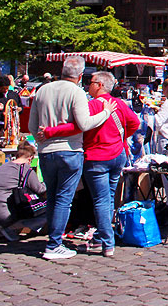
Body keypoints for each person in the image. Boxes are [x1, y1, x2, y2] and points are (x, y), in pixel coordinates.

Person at [41, 71, 139, 258]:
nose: (88, 85)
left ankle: (107, 242)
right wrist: (121, 138)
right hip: (117, 154)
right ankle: (103, 237)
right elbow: (134, 122)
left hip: (97, 157)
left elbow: (78, 126)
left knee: (101, 200)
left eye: (91, 82)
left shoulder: (91, 106)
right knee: (109, 198)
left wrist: (50, 132)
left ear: (100, 85)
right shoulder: (119, 104)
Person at [29, 56, 112, 261]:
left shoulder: (42, 90)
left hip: (46, 151)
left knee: (52, 197)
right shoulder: (76, 92)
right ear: (80, 76)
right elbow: (84, 123)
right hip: (70, 150)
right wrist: (105, 113)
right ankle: (54, 244)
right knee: (64, 199)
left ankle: (53, 239)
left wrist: (43, 136)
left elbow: (32, 126)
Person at [0, 139, 46, 240]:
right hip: (2, 211)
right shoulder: (26, 169)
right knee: (50, 209)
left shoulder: (3, 167)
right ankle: (9, 227)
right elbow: (41, 190)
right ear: (30, 158)